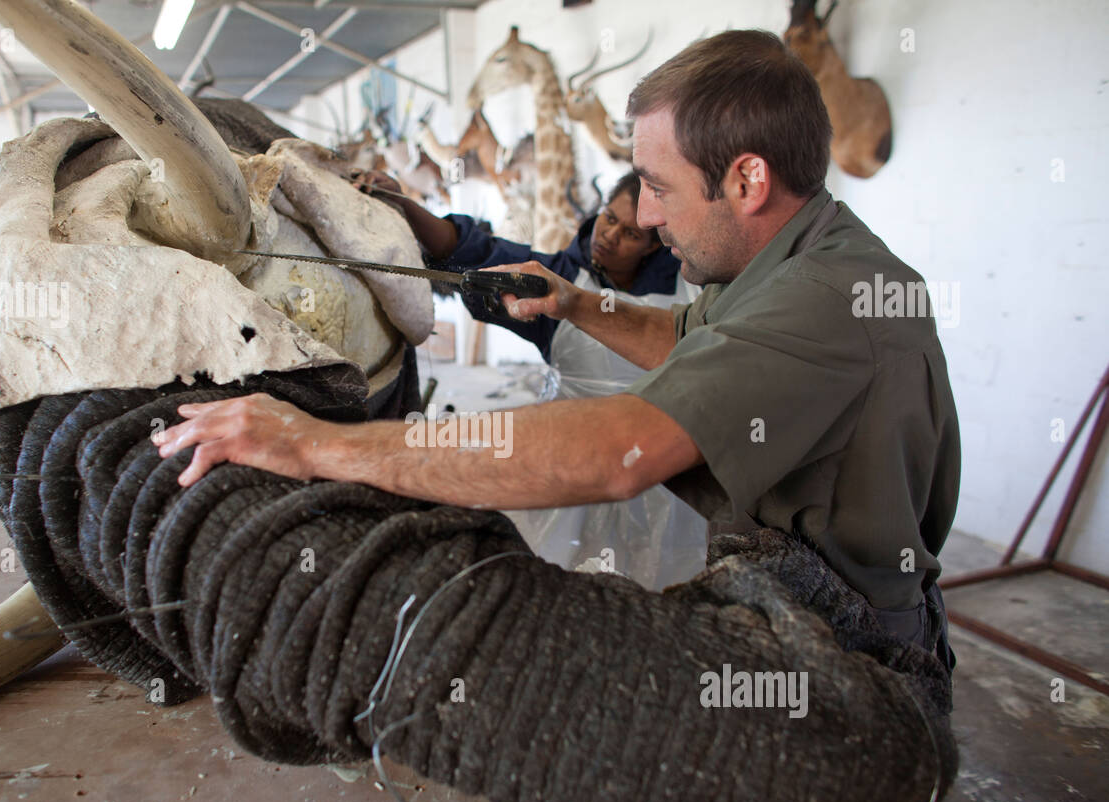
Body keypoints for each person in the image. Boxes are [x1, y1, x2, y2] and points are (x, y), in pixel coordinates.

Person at [152, 29, 960, 673]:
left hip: (849, 638)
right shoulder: (777, 260)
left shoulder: (825, 298)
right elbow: (684, 337)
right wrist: (574, 301)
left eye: (658, 185)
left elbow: (615, 454)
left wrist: (316, 442)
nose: (643, 216)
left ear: (746, 180)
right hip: (788, 578)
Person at [349, 169, 709, 588]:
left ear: (654, 244)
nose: (609, 235)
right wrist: (406, 206)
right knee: (557, 580)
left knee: (661, 583)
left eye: (630, 233)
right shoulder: (558, 280)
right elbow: (473, 252)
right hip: (571, 462)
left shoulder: (691, 292)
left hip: (663, 475)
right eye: (609, 218)